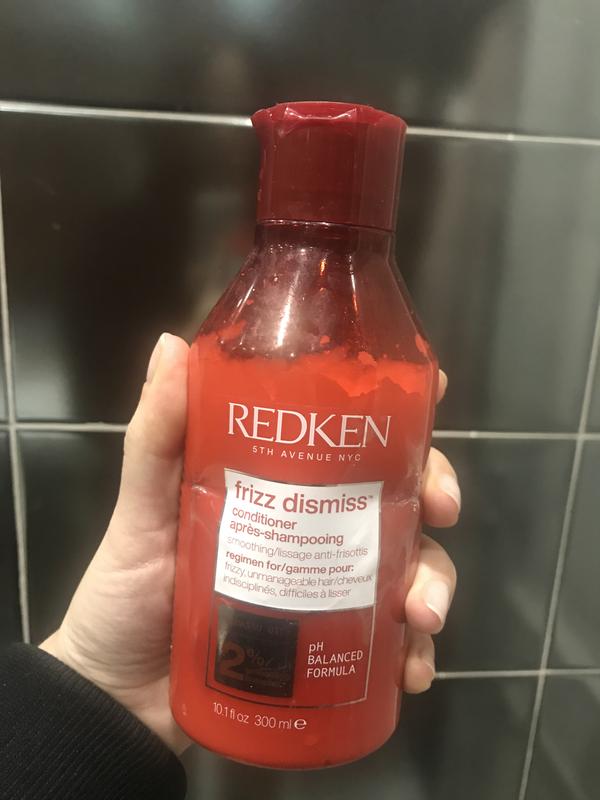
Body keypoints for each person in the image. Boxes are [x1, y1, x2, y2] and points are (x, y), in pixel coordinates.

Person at [0, 333, 460, 799]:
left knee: (396, 503)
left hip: (338, 673)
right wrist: (94, 685)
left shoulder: (392, 351)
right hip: (173, 683)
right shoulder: (232, 342)